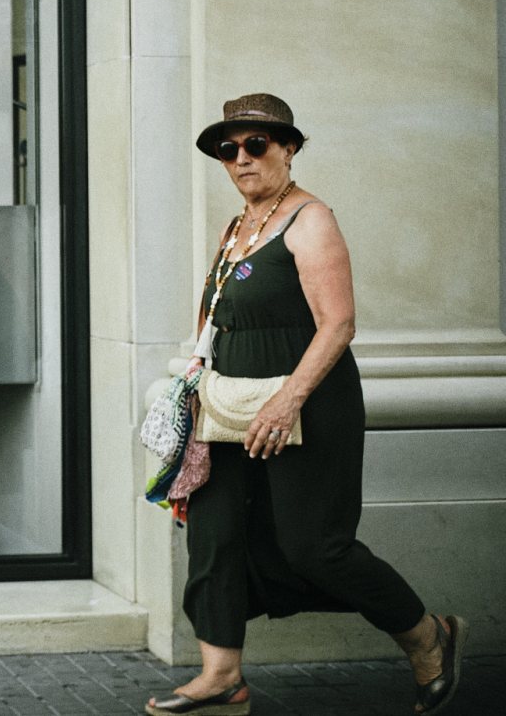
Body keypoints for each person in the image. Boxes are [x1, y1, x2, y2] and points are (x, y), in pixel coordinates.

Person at [148, 93, 466, 716]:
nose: (241, 158)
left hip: (305, 406)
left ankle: (428, 636)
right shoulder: (235, 227)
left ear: (289, 149)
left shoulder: (311, 219)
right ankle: (222, 678)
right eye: (228, 148)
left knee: (313, 547)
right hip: (228, 409)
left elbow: (338, 324)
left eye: (256, 145)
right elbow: (218, 319)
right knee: (213, 537)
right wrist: (195, 385)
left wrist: (287, 402)